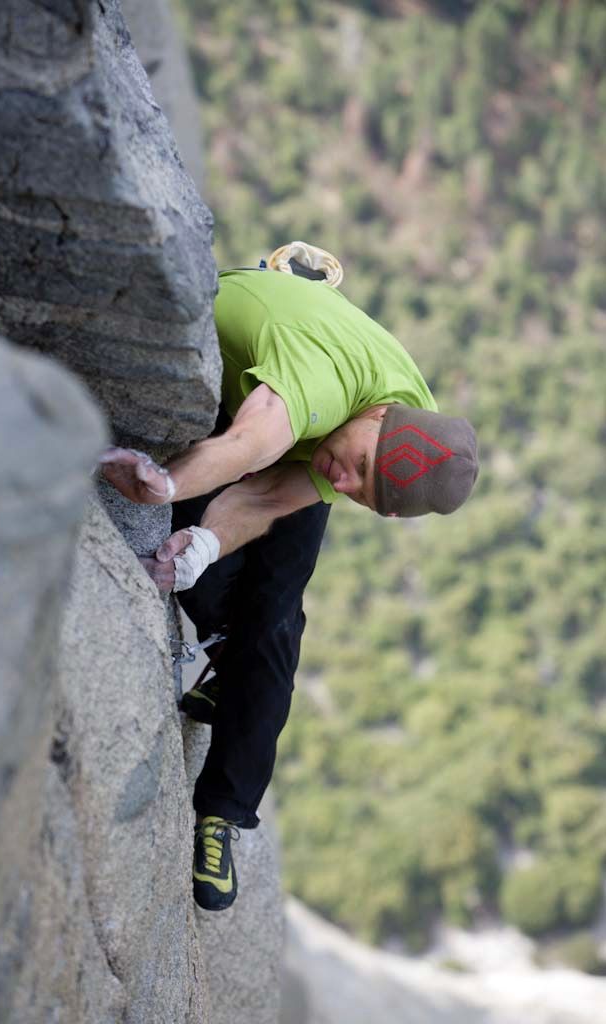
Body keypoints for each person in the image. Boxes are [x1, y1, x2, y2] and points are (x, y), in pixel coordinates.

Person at [100, 248, 479, 912]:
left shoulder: (406, 432)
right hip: (252, 404)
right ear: (376, 422)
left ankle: (222, 811)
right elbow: (248, 449)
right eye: (357, 468)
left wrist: (212, 536)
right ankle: (225, 653)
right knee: (205, 582)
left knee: (273, 613)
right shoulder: (321, 385)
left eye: (360, 491)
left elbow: (271, 500)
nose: (344, 484)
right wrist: (166, 489)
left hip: (312, 435)